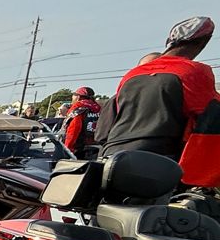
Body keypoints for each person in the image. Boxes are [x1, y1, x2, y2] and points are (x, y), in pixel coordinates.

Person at [102, 16, 216, 162]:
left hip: (113, 154)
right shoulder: (195, 70)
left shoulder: (132, 74)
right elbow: (209, 113)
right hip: (159, 156)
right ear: (202, 43)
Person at [93, 52, 161, 148]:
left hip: (121, 150)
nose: (152, 73)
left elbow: (101, 136)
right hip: (123, 153)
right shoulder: (116, 100)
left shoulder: (118, 98)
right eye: (147, 68)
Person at [60, 87, 102, 157]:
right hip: (97, 146)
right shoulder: (99, 108)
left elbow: (74, 129)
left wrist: (68, 148)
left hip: (79, 149)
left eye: (74, 95)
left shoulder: (78, 108)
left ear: (78, 97)